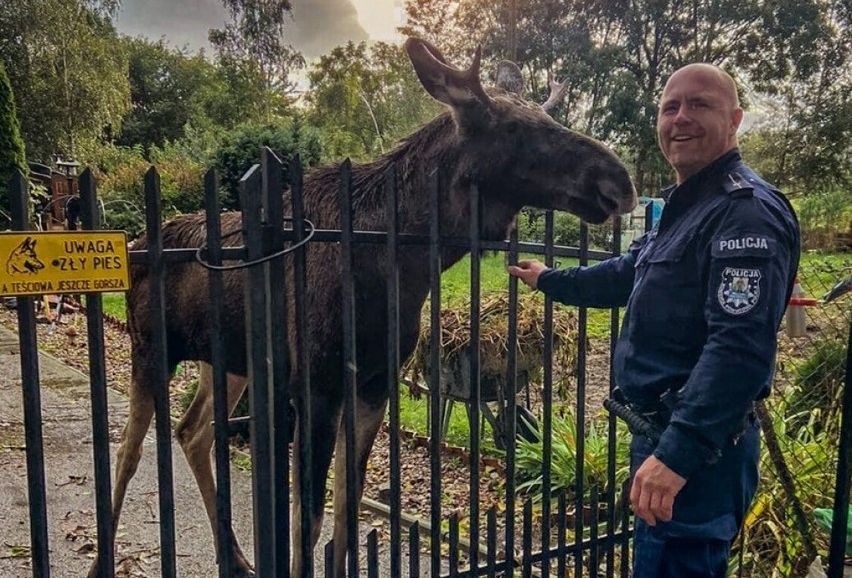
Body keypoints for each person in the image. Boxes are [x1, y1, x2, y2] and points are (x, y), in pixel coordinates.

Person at [508, 63, 800, 577]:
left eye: (699, 105)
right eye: (670, 107)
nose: (681, 118)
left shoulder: (745, 212)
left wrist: (677, 457)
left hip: (697, 455)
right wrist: (550, 280)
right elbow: (627, 273)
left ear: (734, 120)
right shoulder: (688, 207)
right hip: (666, 439)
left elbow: (739, 351)